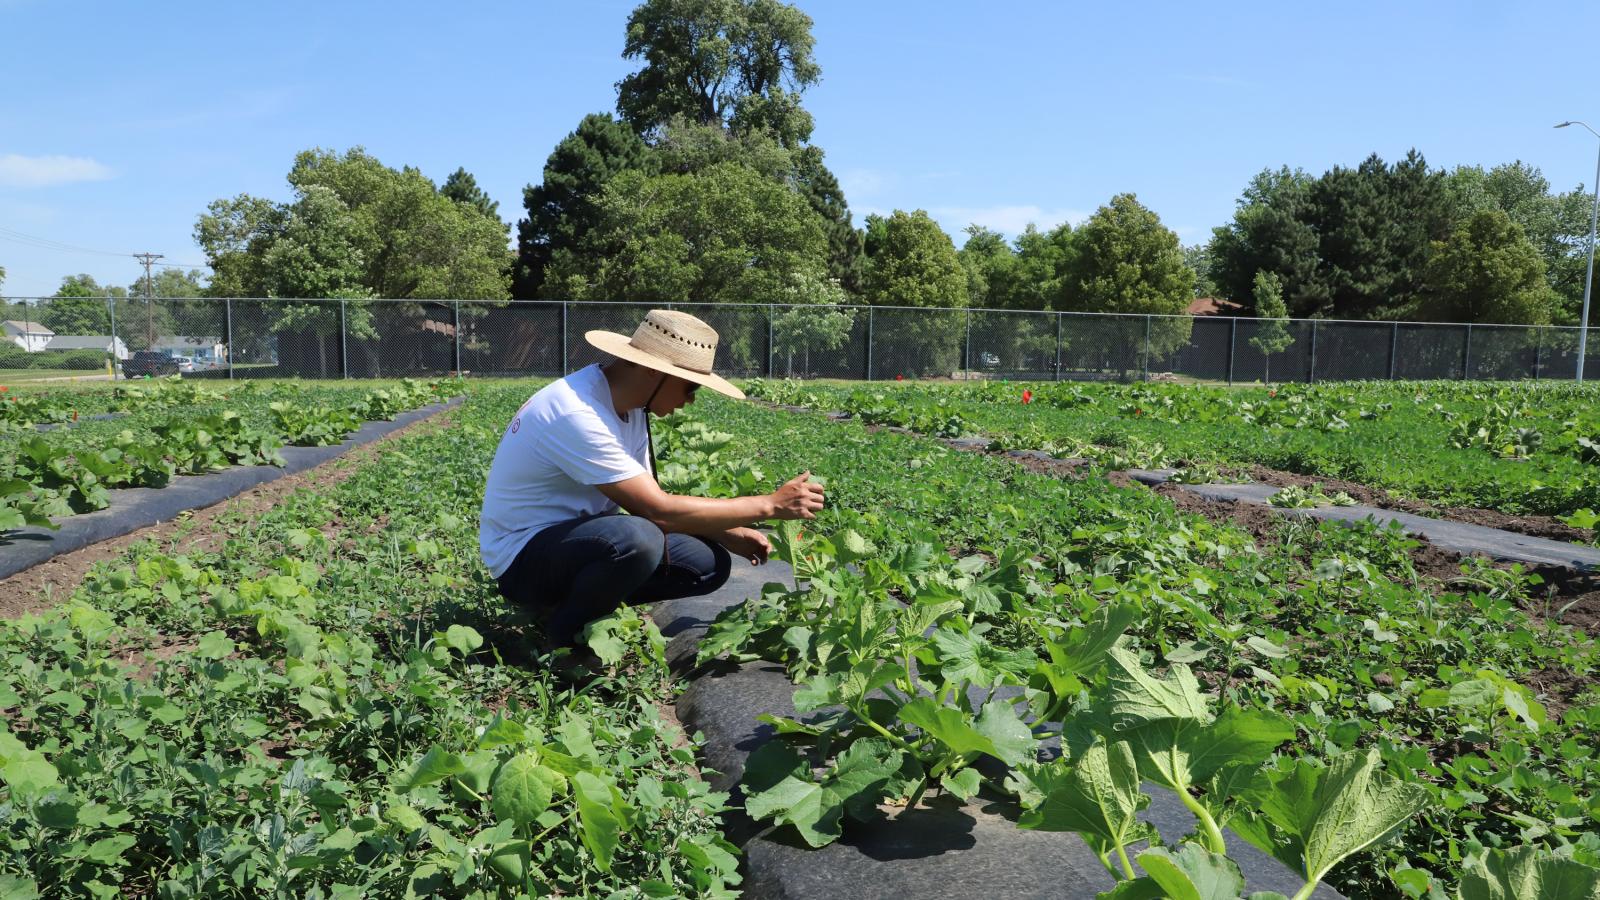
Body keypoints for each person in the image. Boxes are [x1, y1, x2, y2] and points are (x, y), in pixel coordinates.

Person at [479, 309, 826, 653]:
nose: (689, 400)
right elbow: (655, 512)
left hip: (575, 541)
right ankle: (565, 638)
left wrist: (729, 534)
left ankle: (576, 603)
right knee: (639, 540)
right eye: (690, 387)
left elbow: (649, 497)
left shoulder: (628, 407)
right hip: (522, 559)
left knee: (706, 565)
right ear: (651, 371)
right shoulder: (578, 412)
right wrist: (768, 505)